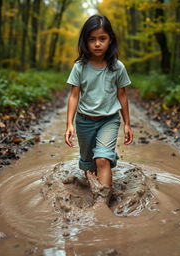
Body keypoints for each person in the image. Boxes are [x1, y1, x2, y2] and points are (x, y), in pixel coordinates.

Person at [65, 14, 133, 204]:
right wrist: (69, 124)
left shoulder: (117, 67)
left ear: (110, 40)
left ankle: (102, 207)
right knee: (89, 165)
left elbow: (122, 96)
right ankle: (93, 180)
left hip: (109, 120)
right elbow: (74, 96)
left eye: (102, 38)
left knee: (102, 159)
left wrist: (127, 124)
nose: (97, 44)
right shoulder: (79, 67)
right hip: (84, 121)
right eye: (92, 39)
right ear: (85, 41)